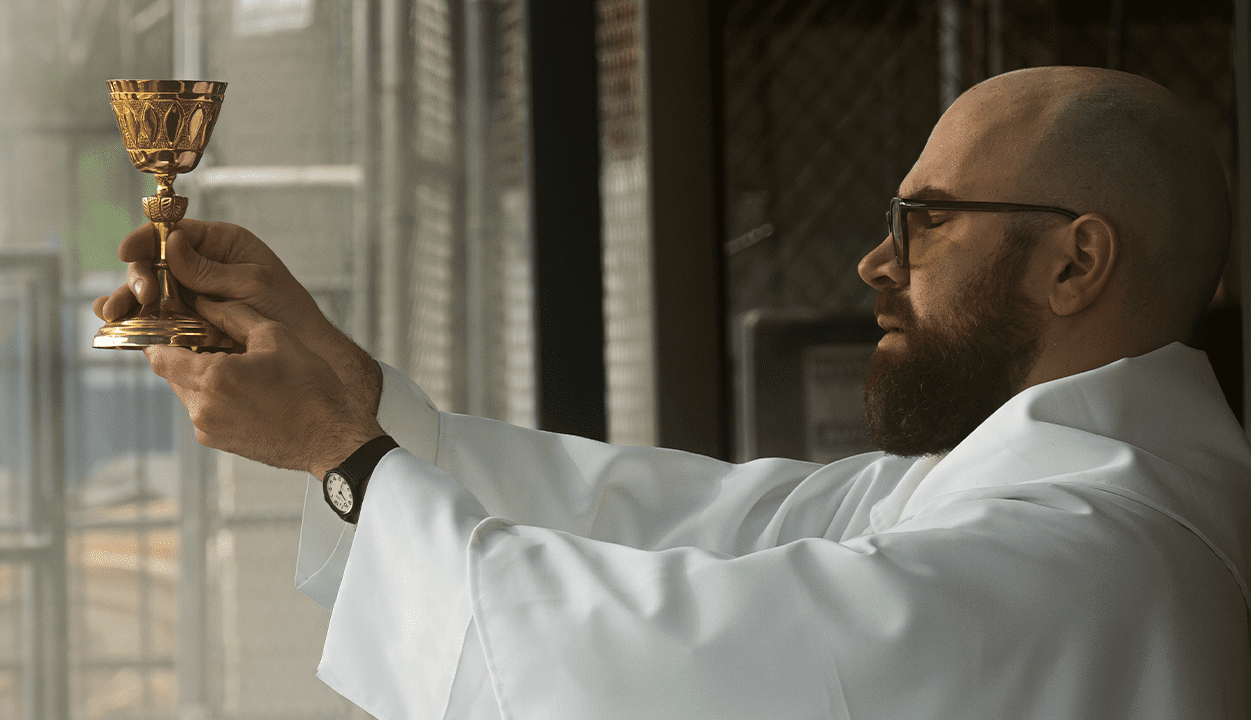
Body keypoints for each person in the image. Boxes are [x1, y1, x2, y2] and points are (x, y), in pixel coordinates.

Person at [96, 66, 1250, 719]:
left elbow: (660, 666)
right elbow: (709, 525)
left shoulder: (1093, 551)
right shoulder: (1058, 480)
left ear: (1073, 263)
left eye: (925, 219)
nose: (876, 260)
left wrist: (344, 455)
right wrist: (347, 394)